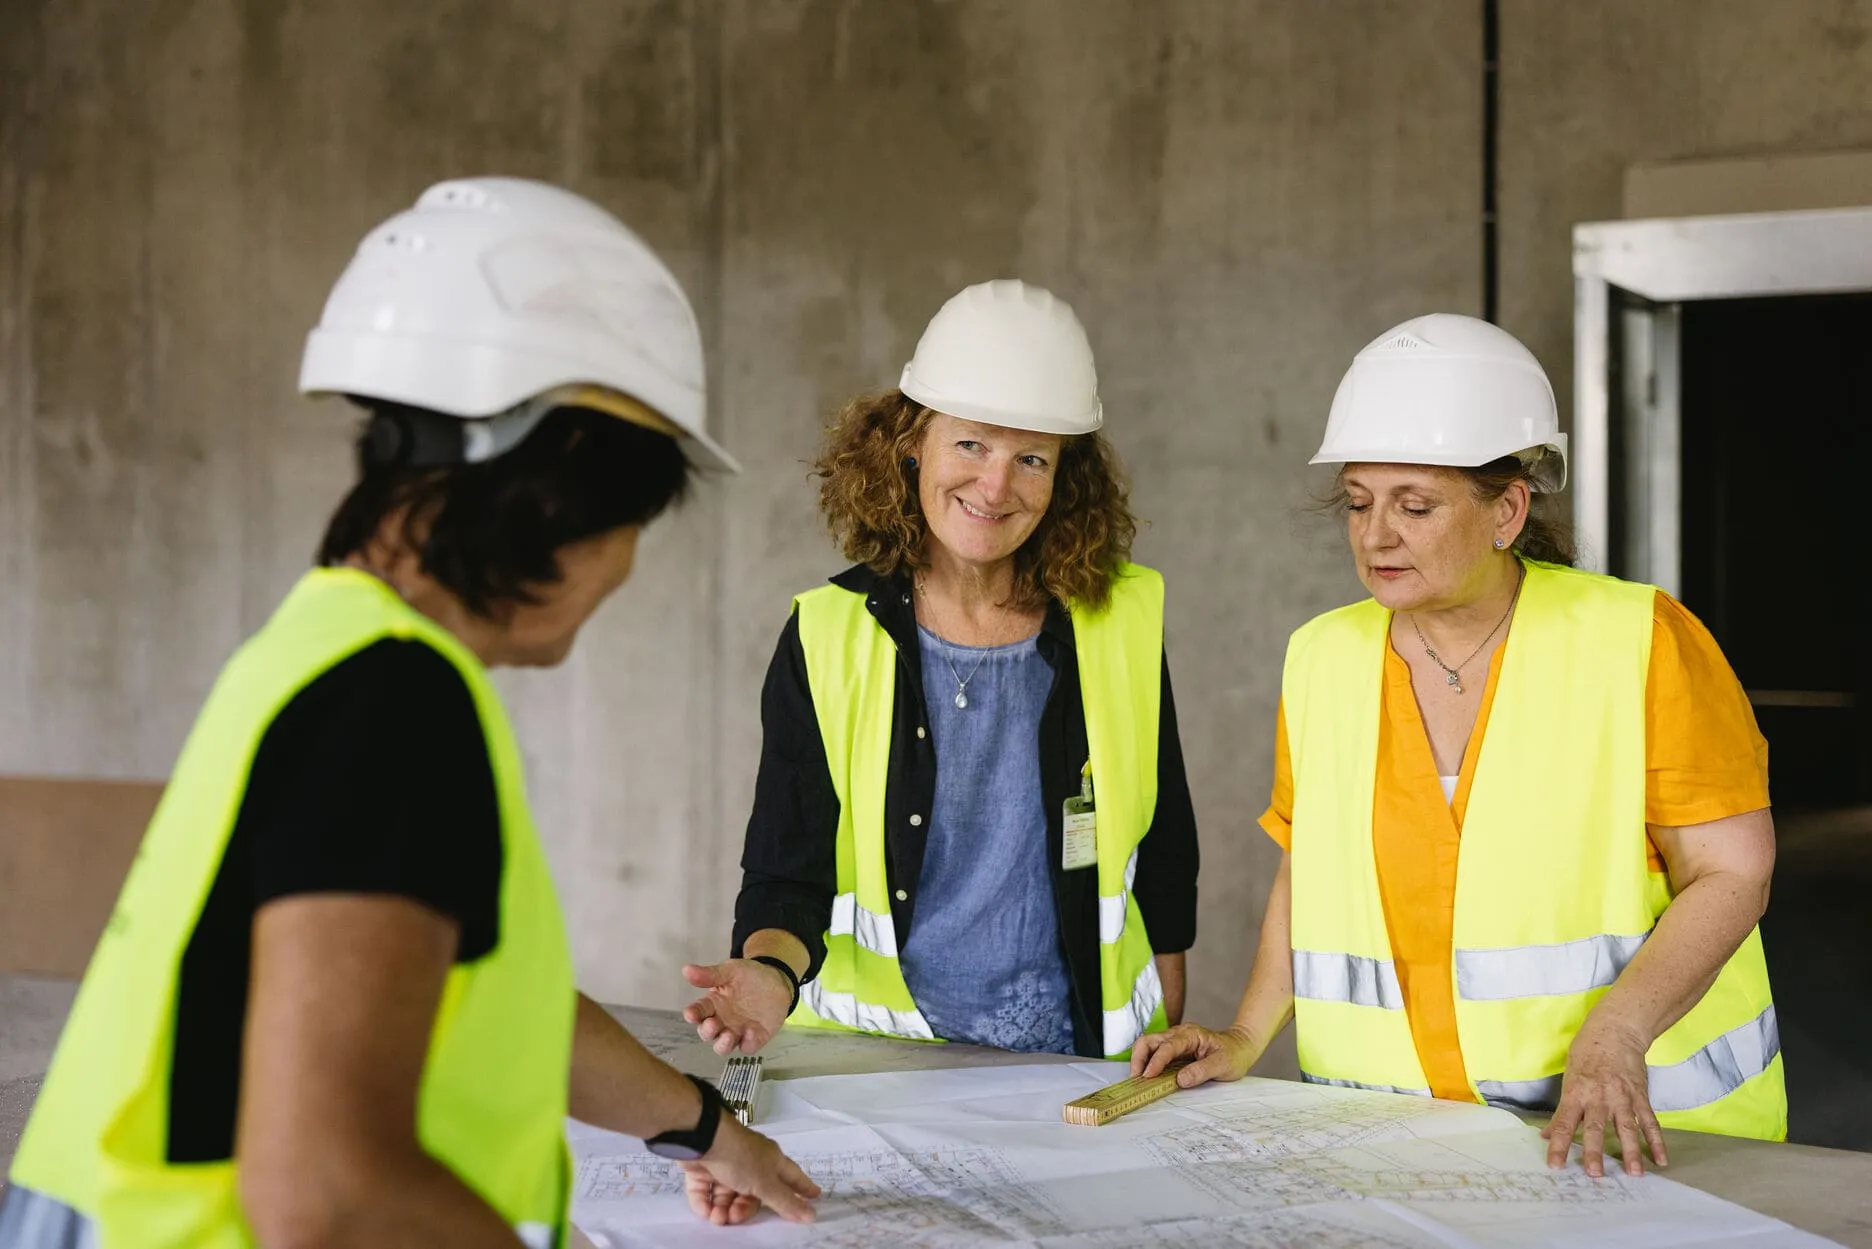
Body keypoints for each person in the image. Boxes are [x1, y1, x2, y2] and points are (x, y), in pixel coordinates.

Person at [0, 178, 817, 1248]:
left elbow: (495, 1006)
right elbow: (330, 1190)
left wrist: (706, 1129)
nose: (625, 564)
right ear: (563, 484)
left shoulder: (325, 648)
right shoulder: (393, 710)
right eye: (638, 519)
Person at [1133, 313, 1783, 1178]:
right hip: (1390, 1141)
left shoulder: (1639, 640)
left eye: (1415, 505)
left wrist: (1619, 1029)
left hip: (1629, 1138)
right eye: (1358, 502)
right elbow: (1310, 870)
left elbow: (1733, 871)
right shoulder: (1322, 656)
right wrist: (1248, 1032)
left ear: (1507, 510)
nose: (1375, 534)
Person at [682, 279, 1200, 1062]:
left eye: (1031, 458)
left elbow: (1163, 847)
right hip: (879, 1061)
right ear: (912, 441)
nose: (996, 486)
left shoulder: (1120, 620)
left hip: (1069, 1064)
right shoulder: (826, 636)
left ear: (1064, 476)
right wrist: (768, 971)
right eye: (972, 445)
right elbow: (788, 869)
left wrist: (1164, 1011)